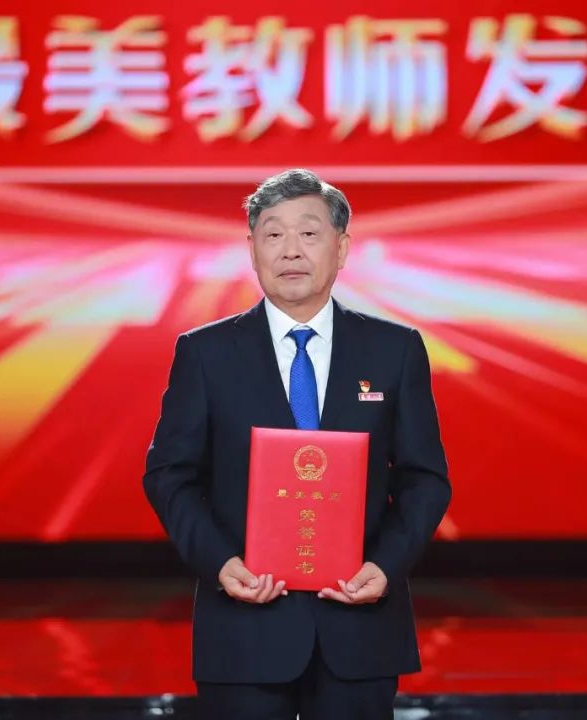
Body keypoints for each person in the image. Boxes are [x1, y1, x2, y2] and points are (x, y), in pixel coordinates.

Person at [143, 168, 451, 720]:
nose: (291, 250)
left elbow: (423, 478)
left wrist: (386, 566)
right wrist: (220, 563)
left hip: (359, 627)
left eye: (309, 233)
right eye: (273, 234)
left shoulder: (395, 349)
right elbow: (169, 474)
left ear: (342, 248)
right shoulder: (206, 353)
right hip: (243, 627)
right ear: (252, 249)